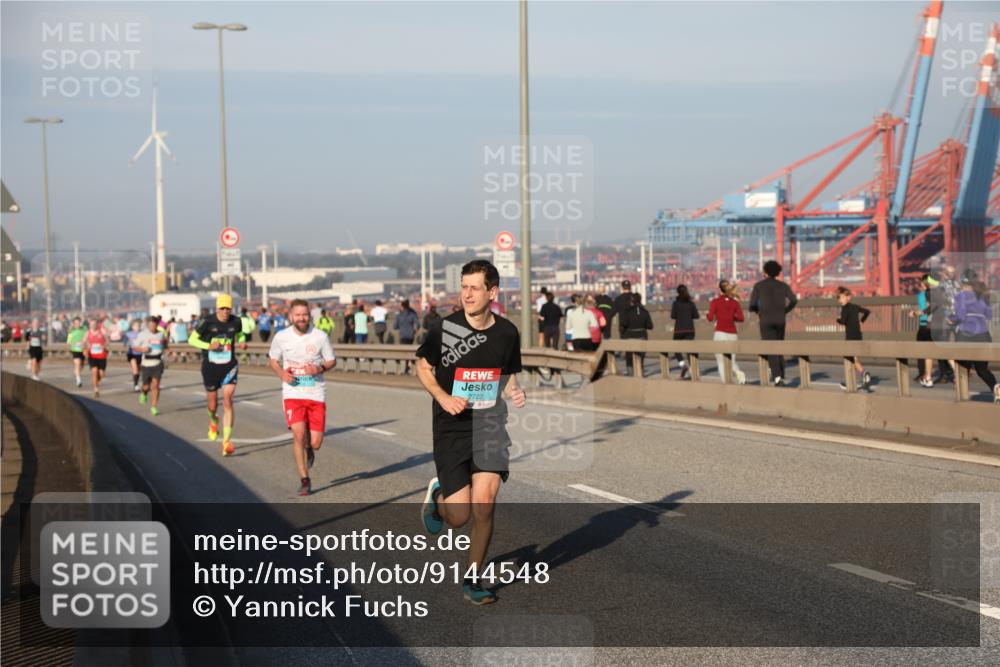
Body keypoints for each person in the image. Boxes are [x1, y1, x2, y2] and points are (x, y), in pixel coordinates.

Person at [416, 259, 526, 605]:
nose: (467, 294)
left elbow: (506, 373)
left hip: (490, 425)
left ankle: (473, 579)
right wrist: (443, 396)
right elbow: (422, 366)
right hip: (452, 427)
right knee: (459, 517)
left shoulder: (507, 332)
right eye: (464, 287)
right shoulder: (445, 329)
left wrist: (515, 390)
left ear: (492, 292)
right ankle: (438, 499)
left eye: (474, 288)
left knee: (485, 506)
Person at [268, 299, 337, 495]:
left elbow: (332, 360)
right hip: (292, 392)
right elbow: (273, 360)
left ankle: (309, 449)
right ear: (291, 316)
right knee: (298, 434)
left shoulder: (320, 337)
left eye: (305, 315)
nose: (301, 318)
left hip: (316, 393)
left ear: (309, 315)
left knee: (315, 443)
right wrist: (282, 374)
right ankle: (304, 479)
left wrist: (320, 367)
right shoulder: (282, 337)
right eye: (297, 315)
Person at [189, 294, 246, 456]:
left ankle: (226, 442)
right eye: (222, 308)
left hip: (229, 366)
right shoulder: (208, 322)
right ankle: (213, 421)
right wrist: (208, 345)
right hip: (210, 366)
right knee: (212, 406)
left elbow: (240, 334)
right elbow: (192, 340)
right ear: (217, 308)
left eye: (228, 308)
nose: (225, 311)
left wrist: (242, 341)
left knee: (228, 400)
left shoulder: (236, 321)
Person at [948, 272, 999, 403]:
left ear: (963, 283)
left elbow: (960, 316)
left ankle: (962, 398)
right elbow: (989, 315)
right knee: (982, 370)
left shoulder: (961, 296)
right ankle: (997, 389)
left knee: (962, 368)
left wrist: (950, 319)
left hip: (966, 334)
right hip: (984, 335)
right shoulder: (984, 296)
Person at [748, 260, 798, 386]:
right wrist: (785, 310)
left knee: (770, 348)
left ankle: (777, 377)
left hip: (766, 320)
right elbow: (794, 300)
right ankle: (781, 373)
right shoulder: (783, 286)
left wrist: (758, 311)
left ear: (765, 272)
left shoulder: (759, 286)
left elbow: (752, 305)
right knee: (779, 346)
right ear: (777, 272)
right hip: (780, 319)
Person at [706, 280, 747, 384]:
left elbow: (710, 318)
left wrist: (708, 315)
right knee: (731, 359)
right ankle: (738, 372)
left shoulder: (715, 302)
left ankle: (726, 383)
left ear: (720, 290)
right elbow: (741, 318)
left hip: (720, 333)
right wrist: (732, 318)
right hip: (733, 334)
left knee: (721, 361)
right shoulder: (735, 303)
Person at [835, 286, 872, 392]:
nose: (839, 300)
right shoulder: (855, 307)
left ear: (847, 298)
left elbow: (843, 321)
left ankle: (864, 373)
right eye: (838, 298)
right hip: (858, 335)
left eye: (841, 298)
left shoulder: (844, 308)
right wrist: (862, 321)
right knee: (852, 358)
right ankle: (853, 379)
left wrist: (837, 320)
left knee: (849, 358)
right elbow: (867, 312)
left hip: (850, 336)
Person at [135, 316, 168, 416]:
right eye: (151, 325)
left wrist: (167, 350)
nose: (153, 327)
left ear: (157, 325)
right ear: (148, 325)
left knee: (156, 385)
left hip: (157, 363)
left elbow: (165, 345)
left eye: (154, 325)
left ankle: (154, 407)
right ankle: (144, 393)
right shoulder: (142, 334)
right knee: (146, 386)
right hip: (146, 363)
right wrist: (142, 349)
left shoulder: (161, 334)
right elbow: (135, 346)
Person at [909, 275, 935, 388]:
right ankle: (924, 374)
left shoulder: (927, 295)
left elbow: (928, 307)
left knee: (926, 351)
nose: (920, 285)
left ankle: (926, 374)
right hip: (927, 325)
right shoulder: (924, 295)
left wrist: (917, 313)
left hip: (928, 325)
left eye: (921, 284)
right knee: (924, 351)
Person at [620, 292, 653, 376]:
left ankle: (630, 373)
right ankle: (640, 372)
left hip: (630, 336)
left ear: (632, 301)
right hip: (642, 335)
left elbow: (623, 324)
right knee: (641, 356)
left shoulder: (628, 311)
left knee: (629, 356)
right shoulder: (645, 311)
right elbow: (650, 326)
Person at [670, 284, 699, 379]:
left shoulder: (675, 303)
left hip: (679, 329)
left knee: (675, 348)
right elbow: (696, 315)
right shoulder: (691, 303)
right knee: (690, 350)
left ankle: (683, 365)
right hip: (690, 329)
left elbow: (673, 316)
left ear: (678, 292)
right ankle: (692, 369)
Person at [83, 318, 109, 397]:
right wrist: (84, 349)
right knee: (94, 371)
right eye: (91, 324)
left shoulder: (102, 331)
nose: (93, 326)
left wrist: (104, 346)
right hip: (92, 355)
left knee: (101, 374)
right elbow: (83, 342)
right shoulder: (88, 333)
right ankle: (96, 389)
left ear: (97, 324)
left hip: (102, 355)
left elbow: (107, 341)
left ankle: (96, 383)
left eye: (94, 324)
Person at [66, 316, 87, 387]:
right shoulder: (71, 331)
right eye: (76, 323)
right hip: (75, 350)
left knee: (82, 365)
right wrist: (68, 348)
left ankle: (77, 372)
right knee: (77, 363)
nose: (77, 324)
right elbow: (68, 341)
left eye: (78, 323)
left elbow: (88, 337)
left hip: (83, 350)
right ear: (73, 324)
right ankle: (78, 380)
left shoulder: (84, 329)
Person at [125, 319, 144, 392]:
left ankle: (137, 382)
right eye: (136, 326)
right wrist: (128, 342)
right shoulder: (129, 334)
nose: (137, 327)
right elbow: (125, 342)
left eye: (138, 326)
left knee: (139, 370)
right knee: (135, 369)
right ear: (132, 327)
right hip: (132, 354)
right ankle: (136, 385)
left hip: (141, 354)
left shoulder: (142, 334)